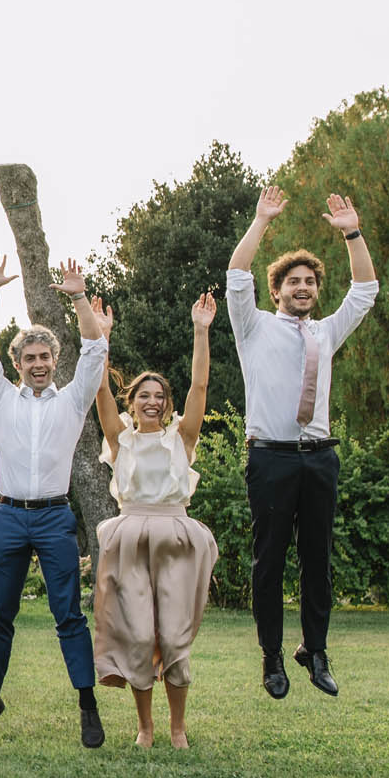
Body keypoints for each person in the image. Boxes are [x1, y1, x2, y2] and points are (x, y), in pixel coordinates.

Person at [226, 186, 379, 699]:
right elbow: (236, 273)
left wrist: (352, 233)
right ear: (277, 291)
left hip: (319, 459)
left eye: (310, 281)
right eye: (294, 281)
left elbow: (365, 291)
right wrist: (262, 220)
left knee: (318, 560)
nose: (304, 287)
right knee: (268, 562)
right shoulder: (254, 329)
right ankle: (272, 656)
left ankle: (314, 650)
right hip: (270, 457)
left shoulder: (326, 333)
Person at [0, 253, 109, 747]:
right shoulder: (0, 397)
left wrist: (76, 297)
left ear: (54, 362)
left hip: (54, 519)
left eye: (44, 358)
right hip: (9, 517)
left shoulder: (72, 400)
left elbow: (95, 348)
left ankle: (88, 708)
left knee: (68, 615)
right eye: (29, 358)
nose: (37, 365)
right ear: (18, 364)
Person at [89, 293, 220, 748]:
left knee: (176, 634)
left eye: (159, 396)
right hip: (130, 538)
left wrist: (201, 330)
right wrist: (101, 339)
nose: (152, 401)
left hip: (176, 538)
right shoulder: (119, 439)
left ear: (166, 404)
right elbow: (100, 390)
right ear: (134, 400)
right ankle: (145, 727)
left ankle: (178, 728)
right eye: (143, 395)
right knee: (140, 633)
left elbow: (199, 388)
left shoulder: (180, 438)